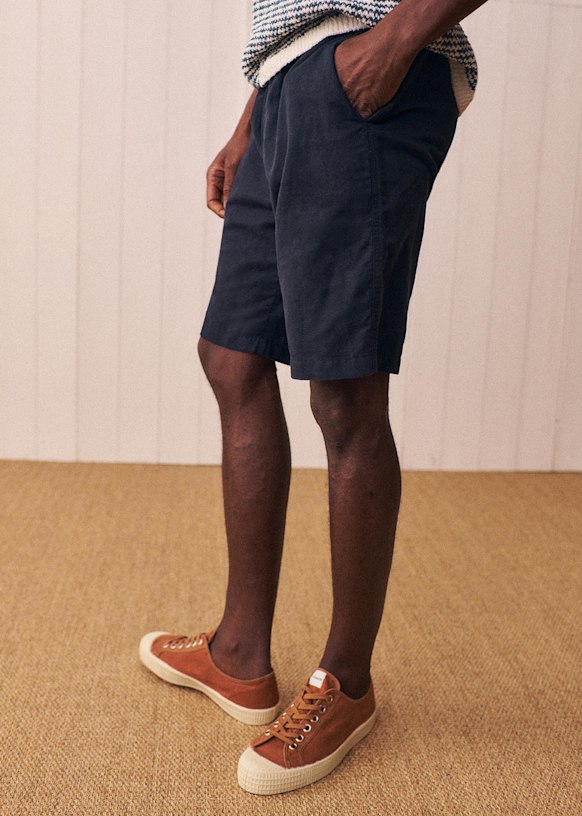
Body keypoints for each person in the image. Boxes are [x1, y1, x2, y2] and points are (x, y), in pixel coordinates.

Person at [140, 0, 487, 796]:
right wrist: (253, 117)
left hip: (366, 75)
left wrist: (392, 45)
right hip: (288, 89)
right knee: (231, 355)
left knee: (344, 392)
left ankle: (347, 684)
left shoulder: (377, 58)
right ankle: (239, 654)